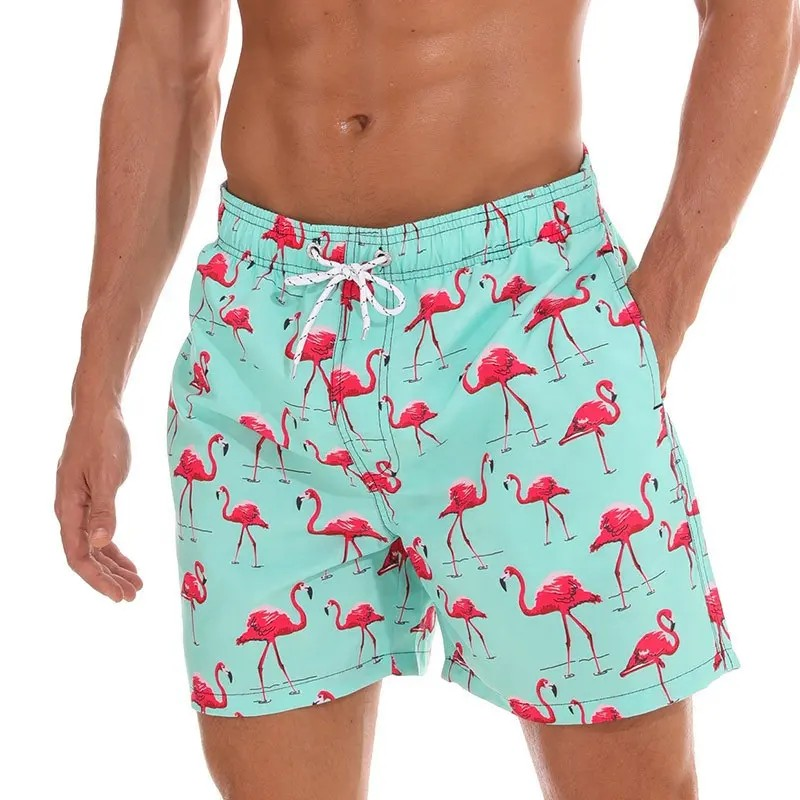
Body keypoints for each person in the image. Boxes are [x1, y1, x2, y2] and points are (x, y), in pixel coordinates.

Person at [54, 1, 799, 798]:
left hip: (523, 308)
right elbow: (165, 63)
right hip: (263, 333)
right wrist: (97, 389)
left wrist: (664, 302)